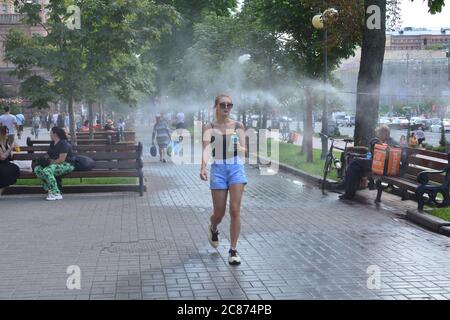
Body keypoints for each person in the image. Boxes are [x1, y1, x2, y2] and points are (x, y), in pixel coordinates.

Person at [200, 94, 247, 266]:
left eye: (229, 105)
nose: (226, 107)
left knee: (235, 210)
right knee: (219, 213)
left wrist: (239, 147)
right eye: (222, 105)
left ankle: (233, 250)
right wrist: (203, 168)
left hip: (236, 168)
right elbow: (206, 150)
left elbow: (245, 151)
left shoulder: (238, 125)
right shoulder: (209, 127)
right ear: (216, 107)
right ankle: (213, 227)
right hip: (218, 169)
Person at [339, 125, 395, 200]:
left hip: (383, 166)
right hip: (375, 164)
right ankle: (348, 191)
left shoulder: (391, 142)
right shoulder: (380, 140)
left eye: (380, 134)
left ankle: (346, 189)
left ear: (385, 133)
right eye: (378, 134)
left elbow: (389, 156)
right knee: (355, 167)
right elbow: (371, 152)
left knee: (354, 162)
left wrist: (380, 146)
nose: (378, 135)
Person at [34, 126, 75, 201]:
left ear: (55, 134)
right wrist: (42, 160)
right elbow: (48, 154)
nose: (50, 134)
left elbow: (61, 159)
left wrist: (49, 163)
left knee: (47, 170)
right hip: (55, 164)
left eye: (50, 133)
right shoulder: (52, 143)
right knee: (38, 169)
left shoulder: (63, 143)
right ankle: (50, 188)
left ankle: (56, 193)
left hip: (67, 164)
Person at [0, 126, 20, 196]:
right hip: (1, 165)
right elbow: (2, 157)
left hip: (5, 164)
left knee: (15, 169)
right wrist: (11, 147)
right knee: (7, 171)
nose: (7, 134)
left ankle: (0, 192)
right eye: (6, 133)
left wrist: (14, 148)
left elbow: (9, 156)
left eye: (8, 133)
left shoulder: (6, 143)